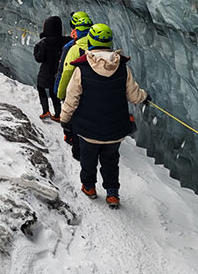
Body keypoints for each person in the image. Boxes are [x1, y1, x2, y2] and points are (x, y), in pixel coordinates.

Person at [60, 23, 150, 208]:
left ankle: (89, 187)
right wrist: (145, 96)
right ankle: (112, 194)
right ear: (109, 42)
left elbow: (72, 99)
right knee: (110, 160)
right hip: (115, 129)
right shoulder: (122, 67)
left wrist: (64, 119)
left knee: (88, 159)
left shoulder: (81, 69)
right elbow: (133, 95)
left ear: (90, 41)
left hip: (88, 129)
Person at [33, 16, 70, 121]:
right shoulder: (64, 41)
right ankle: (58, 114)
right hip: (58, 71)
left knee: (41, 88)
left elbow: (39, 58)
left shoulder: (44, 43)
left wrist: (36, 49)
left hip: (45, 72)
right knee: (54, 93)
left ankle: (46, 111)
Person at [56, 12, 93, 100]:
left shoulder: (72, 48)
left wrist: (59, 93)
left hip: (76, 92)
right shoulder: (99, 45)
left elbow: (65, 72)